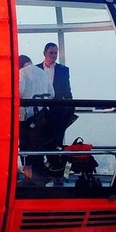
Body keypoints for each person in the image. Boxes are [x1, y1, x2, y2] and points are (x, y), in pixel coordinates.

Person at [37, 42, 74, 175]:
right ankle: (42, 166)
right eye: (51, 53)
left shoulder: (63, 70)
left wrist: (70, 108)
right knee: (40, 137)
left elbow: (67, 91)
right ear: (44, 53)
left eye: (55, 53)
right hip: (40, 110)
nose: (53, 55)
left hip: (56, 110)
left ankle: (53, 167)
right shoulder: (36, 69)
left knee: (54, 138)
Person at [19, 54, 52, 183]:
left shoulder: (22, 73)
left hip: (26, 116)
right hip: (41, 116)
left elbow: (19, 92)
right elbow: (52, 93)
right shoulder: (42, 73)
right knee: (38, 145)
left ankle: (28, 176)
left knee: (25, 145)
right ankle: (39, 176)